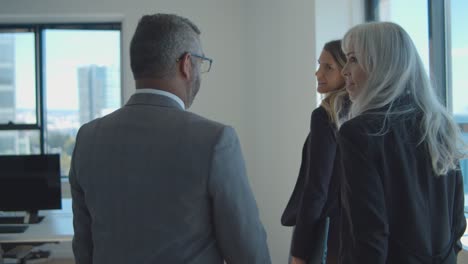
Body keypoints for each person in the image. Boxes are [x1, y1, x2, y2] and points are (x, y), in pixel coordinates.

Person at [69, 13, 271, 264]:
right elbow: (249, 255)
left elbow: (84, 250)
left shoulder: (87, 139)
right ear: (186, 64)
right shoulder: (216, 141)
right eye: (200, 63)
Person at [338, 21, 467, 263]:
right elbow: (456, 224)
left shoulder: (358, 133)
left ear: (382, 66)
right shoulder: (441, 127)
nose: (345, 70)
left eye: (353, 59)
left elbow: (369, 237)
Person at [281, 40, 349, 264]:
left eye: (328, 67)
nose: (318, 73)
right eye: (319, 65)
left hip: (327, 236)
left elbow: (316, 189)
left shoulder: (325, 116)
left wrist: (299, 253)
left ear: (346, 70)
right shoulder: (364, 115)